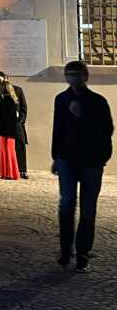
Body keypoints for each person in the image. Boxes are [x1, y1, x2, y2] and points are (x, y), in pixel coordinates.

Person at [52, 61, 114, 273]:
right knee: (67, 203)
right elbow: (57, 129)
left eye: (77, 75)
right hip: (67, 159)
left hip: (91, 161)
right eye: (69, 75)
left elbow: (106, 130)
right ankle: (65, 250)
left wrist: (83, 117)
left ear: (85, 76)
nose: (73, 79)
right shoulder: (61, 99)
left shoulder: (97, 101)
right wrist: (56, 157)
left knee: (88, 208)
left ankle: (82, 253)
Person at [0, 71, 29, 178]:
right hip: (0, 124)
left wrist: (20, 120)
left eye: (1, 80)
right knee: (3, 147)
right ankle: (6, 170)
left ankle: (22, 170)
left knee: (19, 146)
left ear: (6, 78)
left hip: (15, 124)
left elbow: (23, 107)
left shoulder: (17, 90)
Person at [0, 82, 21, 180]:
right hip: (11, 130)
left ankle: (5, 173)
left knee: (4, 152)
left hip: (2, 130)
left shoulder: (1, 102)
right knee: (11, 152)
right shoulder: (15, 102)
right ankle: (13, 173)